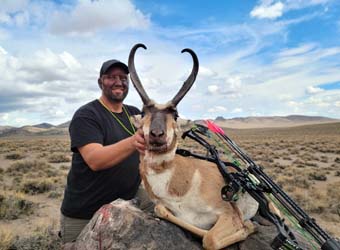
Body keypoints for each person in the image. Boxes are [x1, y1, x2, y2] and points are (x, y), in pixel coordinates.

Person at [60, 59, 150, 244]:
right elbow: (95, 160)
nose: (118, 82)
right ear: (100, 82)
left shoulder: (134, 113)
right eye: (111, 77)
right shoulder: (87, 115)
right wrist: (134, 141)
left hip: (127, 205)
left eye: (123, 78)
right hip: (86, 212)